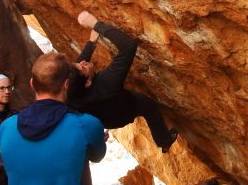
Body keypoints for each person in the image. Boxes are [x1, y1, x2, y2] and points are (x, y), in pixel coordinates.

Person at [0, 53, 107, 185]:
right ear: (66, 85)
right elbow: (98, 156)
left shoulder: (6, 128)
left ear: (32, 84)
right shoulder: (87, 125)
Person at [68, 10, 178, 153]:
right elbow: (128, 46)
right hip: (123, 111)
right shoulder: (106, 83)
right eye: (83, 67)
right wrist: (96, 24)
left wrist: (91, 43)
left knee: (88, 76)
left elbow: (76, 70)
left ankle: (163, 141)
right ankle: (164, 141)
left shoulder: (67, 89)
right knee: (149, 106)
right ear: (88, 82)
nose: (83, 62)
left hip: (103, 116)